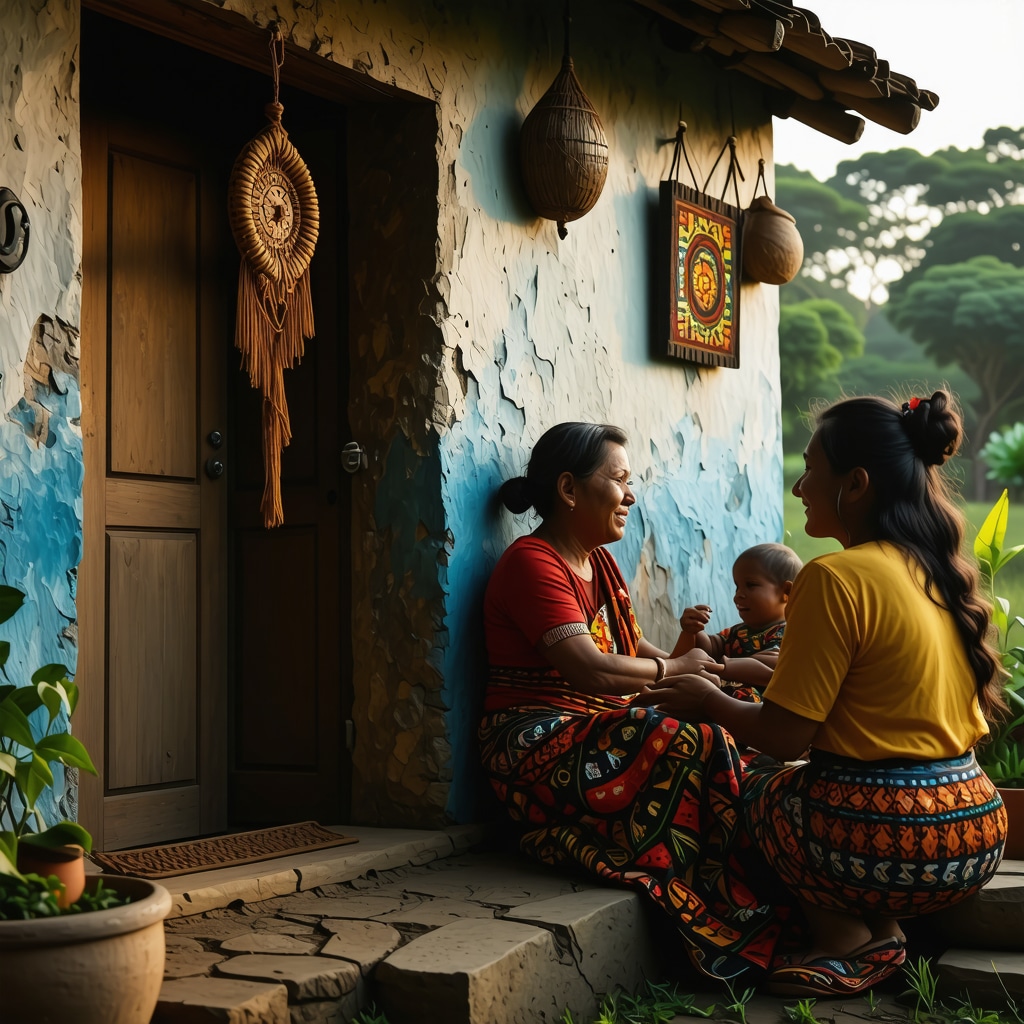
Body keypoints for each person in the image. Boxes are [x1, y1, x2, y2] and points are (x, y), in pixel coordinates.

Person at [640, 391, 1008, 997]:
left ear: (855, 483)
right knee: (832, 780)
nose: (799, 487)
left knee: (753, 779)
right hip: (971, 834)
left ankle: (839, 936)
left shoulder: (834, 577)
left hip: (892, 840)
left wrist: (708, 701)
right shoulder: (936, 569)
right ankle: (883, 930)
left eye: (810, 469)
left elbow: (783, 737)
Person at [478, 422, 788, 981]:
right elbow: (591, 667)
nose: (631, 493)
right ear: (569, 490)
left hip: (597, 721)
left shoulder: (597, 563)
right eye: (620, 479)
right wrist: (674, 669)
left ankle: (754, 877)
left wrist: (694, 673)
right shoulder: (534, 562)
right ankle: (709, 892)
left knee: (725, 704)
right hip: (533, 738)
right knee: (688, 733)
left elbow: (631, 650)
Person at [678, 543, 802, 694]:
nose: (738, 596)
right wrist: (693, 630)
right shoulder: (738, 631)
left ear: (786, 592)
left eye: (751, 585)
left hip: (756, 708)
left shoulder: (790, 634)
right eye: (737, 587)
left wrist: (721, 666)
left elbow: (773, 664)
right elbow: (712, 647)